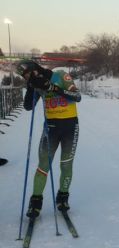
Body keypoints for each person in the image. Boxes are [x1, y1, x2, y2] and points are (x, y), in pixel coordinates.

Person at [17, 60, 82, 218]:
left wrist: (52, 87)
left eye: (28, 75)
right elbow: (28, 107)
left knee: (66, 166)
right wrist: (32, 87)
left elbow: (77, 96)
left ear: (35, 70)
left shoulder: (60, 75)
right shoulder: (35, 84)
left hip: (70, 127)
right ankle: (36, 202)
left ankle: (63, 197)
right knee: (43, 166)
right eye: (24, 77)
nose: (27, 78)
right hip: (51, 128)